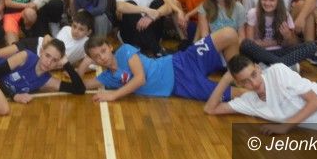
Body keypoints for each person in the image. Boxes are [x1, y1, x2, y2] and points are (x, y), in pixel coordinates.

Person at [82, 27, 240, 102]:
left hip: (180, 61)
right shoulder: (107, 77)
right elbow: (81, 86)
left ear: (110, 47)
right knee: (237, 94)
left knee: (229, 34)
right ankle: (247, 89)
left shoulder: (124, 51)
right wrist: (82, 65)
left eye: (103, 51)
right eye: (96, 57)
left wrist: (113, 95)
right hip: (182, 85)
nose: (102, 57)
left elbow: (140, 79)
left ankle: (239, 76)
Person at [240, 0, 317, 69]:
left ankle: (275, 64)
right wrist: (277, 42)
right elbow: (251, 43)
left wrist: (288, 36)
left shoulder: (285, 14)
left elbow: (293, 43)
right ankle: (283, 64)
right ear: (260, 0)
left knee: (311, 46)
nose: (267, 3)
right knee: (245, 45)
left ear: (278, 1)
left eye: (271, 0)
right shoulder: (253, 13)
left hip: (281, 51)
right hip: (261, 53)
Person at [115, 0, 184, 56]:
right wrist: (146, 10)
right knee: (130, 4)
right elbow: (120, 7)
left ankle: (153, 48)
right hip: (132, 36)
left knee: (158, 2)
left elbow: (168, 7)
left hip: (150, 35)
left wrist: (151, 17)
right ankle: (157, 49)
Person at [0, 39, 86, 103]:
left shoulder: (47, 81)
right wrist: (14, 96)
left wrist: (67, 65)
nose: (48, 62)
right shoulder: (25, 57)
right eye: (47, 55)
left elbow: (79, 89)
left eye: (54, 60)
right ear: (41, 52)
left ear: (58, 63)